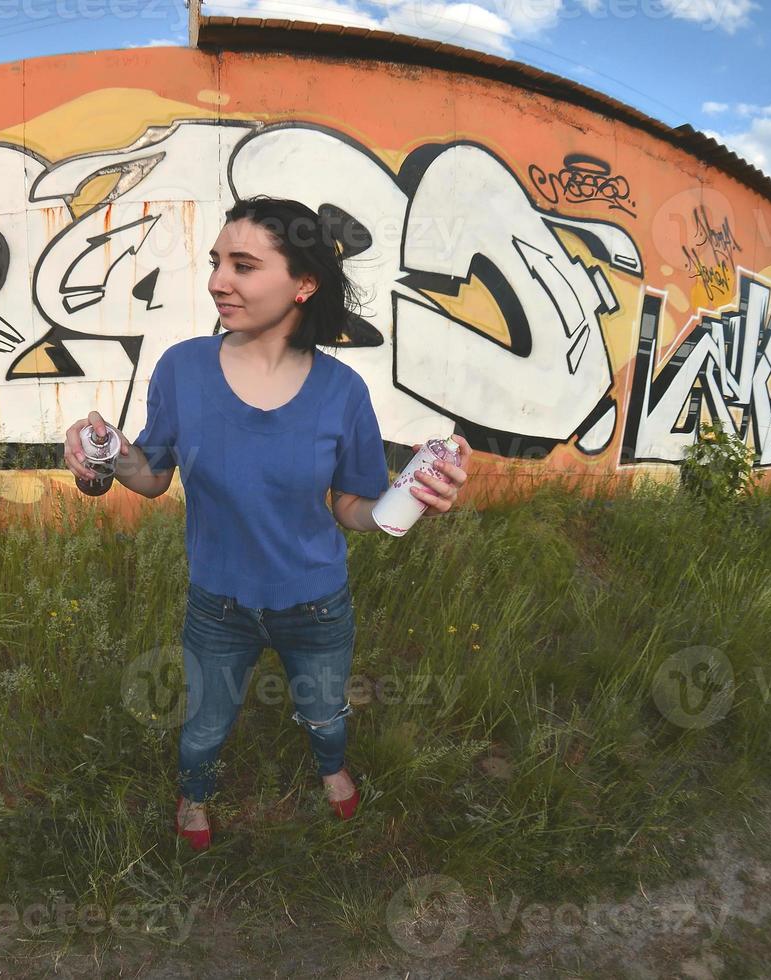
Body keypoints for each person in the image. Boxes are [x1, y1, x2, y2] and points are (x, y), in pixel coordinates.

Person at [62, 196, 472, 852]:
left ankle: (331, 768)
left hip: (316, 606)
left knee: (325, 712)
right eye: (217, 262)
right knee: (203, 725)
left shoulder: (343, 394)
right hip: (217, 606)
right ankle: (193, 798)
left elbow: (351, 506)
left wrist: (411, 498)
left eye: (244, 265)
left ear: (303, 284)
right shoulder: (182, 369)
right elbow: (153, 474)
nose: (218, 280)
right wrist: (101, 457)